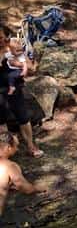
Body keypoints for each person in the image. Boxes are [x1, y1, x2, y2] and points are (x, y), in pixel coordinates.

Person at [0, 24, 43, 157]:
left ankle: (31, 146)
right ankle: (5, 151)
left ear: (6, 36)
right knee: (1, 121)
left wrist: (18, 63)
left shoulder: (13, 47)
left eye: (1, 37)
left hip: (16, 89)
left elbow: (31, 68)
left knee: (23, 118)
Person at [0, 132, 37, 219]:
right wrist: (40, 188)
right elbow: (27, 189)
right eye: (16, 145)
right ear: (8, 147)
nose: (17, 149)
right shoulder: (9, 166)